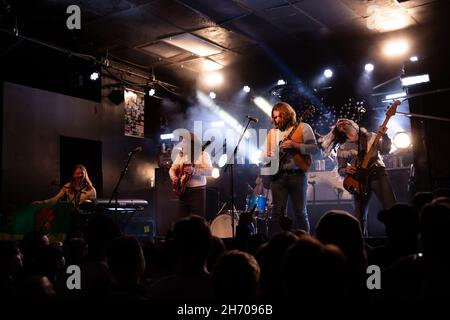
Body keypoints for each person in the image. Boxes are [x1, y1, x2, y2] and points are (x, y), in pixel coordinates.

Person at [320, 118, 396, 235]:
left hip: (377, 174)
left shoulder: (370, 136)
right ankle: (362, 244)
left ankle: (397, 237)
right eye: (339, 123)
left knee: (391, 209)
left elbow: (386, 150)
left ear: (353, 124)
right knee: (359, 216)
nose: (342, 122)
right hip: (358, 179)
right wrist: (346, 169)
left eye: (345, 121)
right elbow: (340, 169)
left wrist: (384, 135)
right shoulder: (342, 148)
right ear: (338, 130)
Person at [261, 102, 319, 233]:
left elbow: (315, 149)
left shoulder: (304, 127)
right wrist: (267, 155)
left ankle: (305, 244)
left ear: (287, 115)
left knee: (300, 213)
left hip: (297, 175)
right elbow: (263, 156)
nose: (277, 120)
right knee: (278, 214)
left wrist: (295, 145)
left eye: (279, 116)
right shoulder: (272, 133)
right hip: (277, 177)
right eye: (274, 117)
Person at [169, 132, 212, 218]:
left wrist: (194, 171)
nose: (181, 143)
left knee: (198, 220)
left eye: (184, 141)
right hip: (183, 191)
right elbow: (172, 169)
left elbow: (210, 172)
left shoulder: (202, 155)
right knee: (181, 220)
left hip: (197, 192)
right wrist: (173, 177)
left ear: (191, 144)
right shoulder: (181, 155)